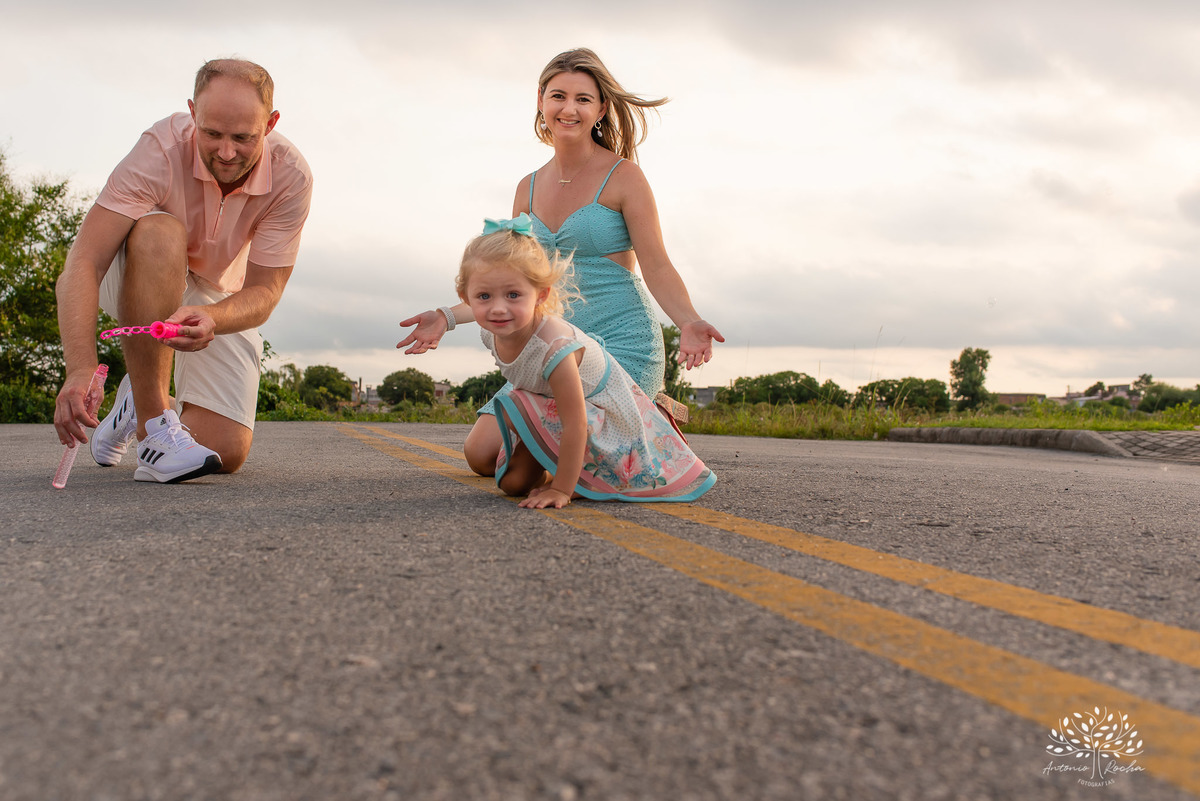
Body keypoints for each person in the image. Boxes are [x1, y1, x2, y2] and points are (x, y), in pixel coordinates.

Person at [397, 48, 722, 478]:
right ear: (540, 100)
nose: (569, 109)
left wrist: (688, 321)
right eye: (558, 96)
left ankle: (643, 420)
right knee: (480, 456)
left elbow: (657, 265)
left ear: (601, 108)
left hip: (619, 342)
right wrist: (447, 316)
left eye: (583, 99)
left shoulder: (624, 177)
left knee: (536, 464)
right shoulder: (526, 188)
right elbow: (507, 283)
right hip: (550, 345)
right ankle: (613, 437)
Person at [53, 58, 313, 483]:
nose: (226, 153)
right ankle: (154, 425)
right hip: (137, 269)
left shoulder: (292, 176)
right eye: (211, 133)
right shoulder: (159, 148)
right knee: (160, 231)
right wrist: (80, 368)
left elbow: (266, 291)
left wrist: (214, 317)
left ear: (270, 124)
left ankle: (138, 397)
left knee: (224, 451)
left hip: (214, 295)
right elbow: (82, 262)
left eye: (243, 138)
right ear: (193, 114)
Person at [458, 215, 716, 509]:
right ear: (466, 298)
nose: (499, 308)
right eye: (484, 296)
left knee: (573, 478)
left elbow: (576, 423)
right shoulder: (489, 334)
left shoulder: (555, 348)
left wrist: (562, 489)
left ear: (541, 296)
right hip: (548, 400)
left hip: (600, 410)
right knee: (512, 484)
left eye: (514, 295)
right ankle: (554, 455)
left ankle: (647, 419)